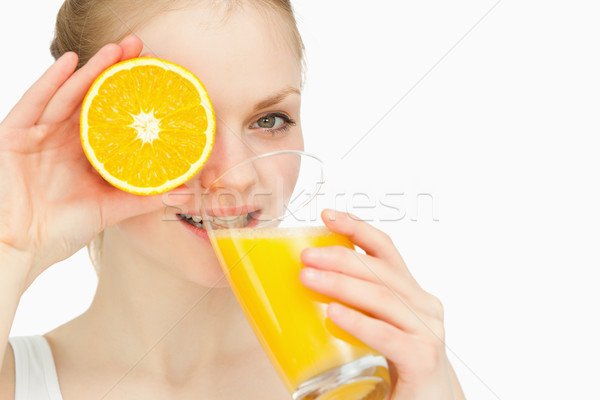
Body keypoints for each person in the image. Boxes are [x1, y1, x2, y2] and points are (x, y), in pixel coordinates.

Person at [0, 1, 466, 398]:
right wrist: (10, 245)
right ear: (94, 136)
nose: (232, 178)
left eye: (269, 120)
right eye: (172, 123)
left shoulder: (376, 378)